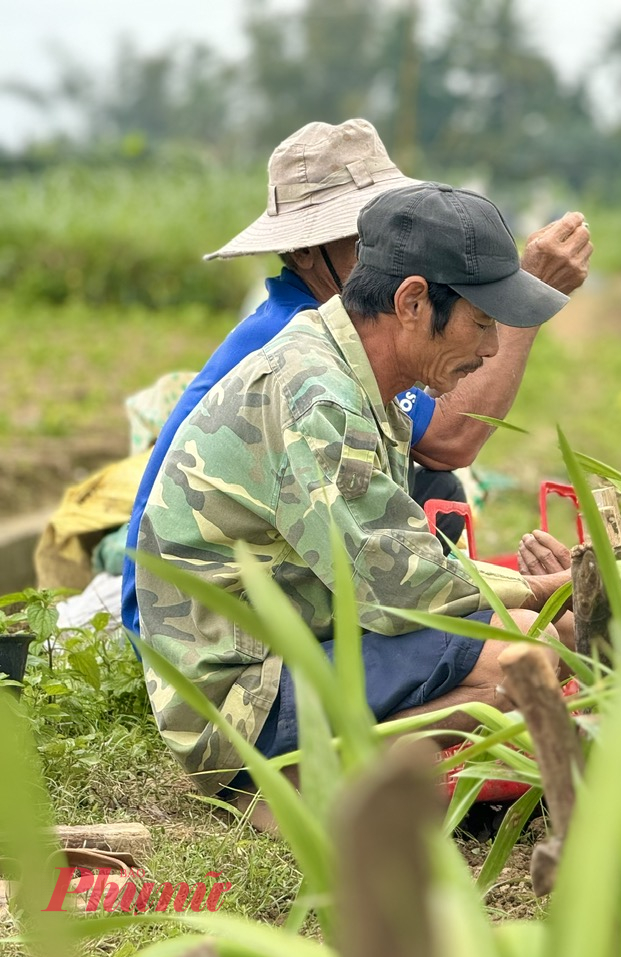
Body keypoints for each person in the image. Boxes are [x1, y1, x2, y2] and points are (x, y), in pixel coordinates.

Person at [136, 182, 578, 796]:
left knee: (535, 645)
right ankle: (280, 788)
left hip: (292, 647)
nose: (492, 348)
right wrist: (541, 589)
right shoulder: (319, 396)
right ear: (413, 302)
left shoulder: (348, 365)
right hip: (239, 700)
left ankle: (331, 776)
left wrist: (538, 601)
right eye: (480, 323)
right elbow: (402, 586)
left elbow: (390, 557)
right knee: (522, 659)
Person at [119, 118, 591, 641]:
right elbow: (450, 439)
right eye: (367, 241)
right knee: (515, 635)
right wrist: (550, 590)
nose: (387, 257)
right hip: (204, 630)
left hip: (257, 592)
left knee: (434, 494)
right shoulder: (300, 352)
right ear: (305, 253)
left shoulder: (345, 334)